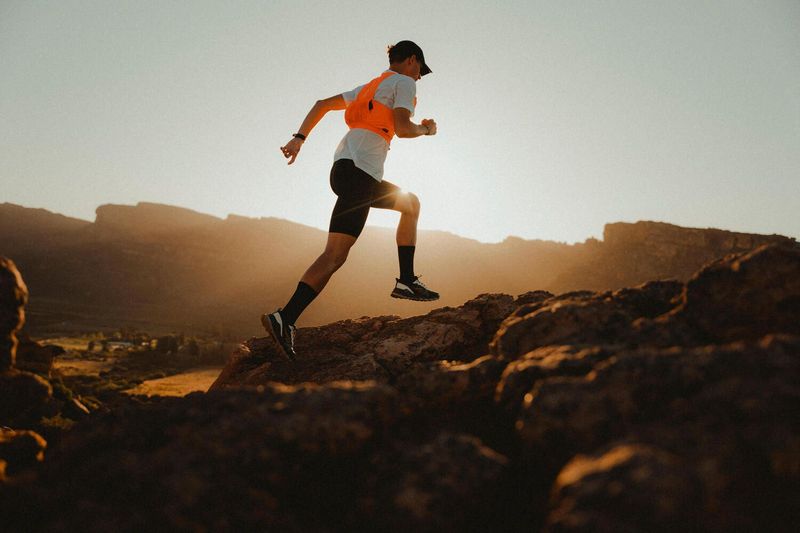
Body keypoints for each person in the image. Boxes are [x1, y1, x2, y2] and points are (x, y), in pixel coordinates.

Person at [262, 40, 440, 360]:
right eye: (420, 71)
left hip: (346, 170)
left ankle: (407, 280)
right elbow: (401, 128)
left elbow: (320, 104)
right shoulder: (402, 83)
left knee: (409, 203)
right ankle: (284, 318)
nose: (419, 78)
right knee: (334, 256)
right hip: (360, 175)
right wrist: (426, 129)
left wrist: (299, 138)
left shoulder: (370, 86)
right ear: (411, 60)